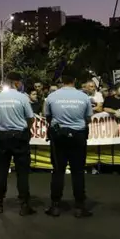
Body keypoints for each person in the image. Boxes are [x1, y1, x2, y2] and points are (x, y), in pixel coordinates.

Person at [43, 73, 93, 218]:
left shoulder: (52, 97)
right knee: (78, 171)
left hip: (58, 137)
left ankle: (55, 205)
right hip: (78, 136)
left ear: (61, 81)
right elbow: (88, 118)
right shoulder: (83, 97)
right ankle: (79, 206)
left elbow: (48, 117)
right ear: (74, 80)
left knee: (58, 171)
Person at [0, 73, 35, 215]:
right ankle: (24, 204)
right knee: (22, 172)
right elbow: (30, 118)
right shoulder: (23, 98)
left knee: (2, 170)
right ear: (16, 83)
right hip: (20, 137)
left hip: (2, 137)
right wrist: (26, 128)